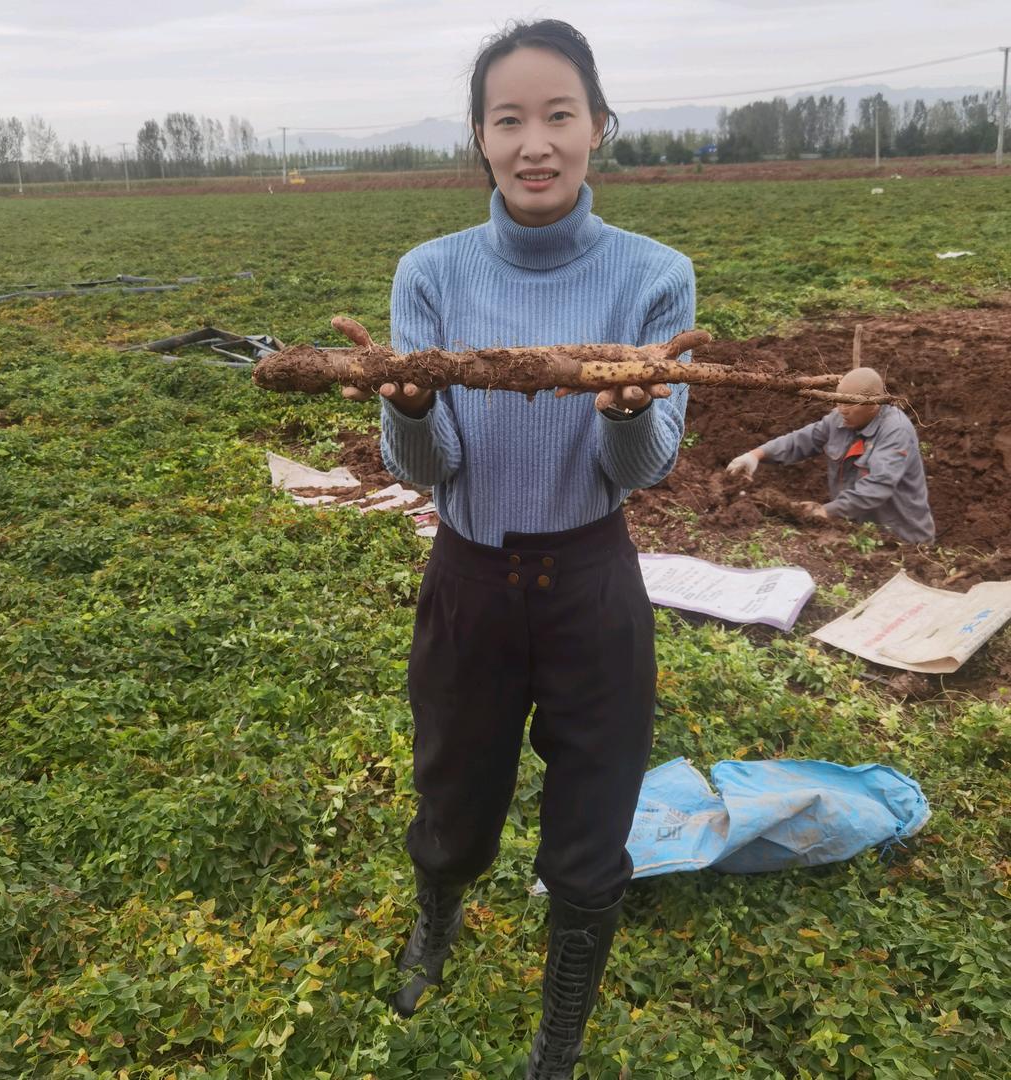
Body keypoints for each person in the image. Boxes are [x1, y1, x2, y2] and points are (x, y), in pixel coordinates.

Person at [341, 20, 695, 1078]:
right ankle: (437, 919)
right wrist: (409, 405)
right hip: (471, 580)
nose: (535, 143)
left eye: (558, 115)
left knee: (593, 816)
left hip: (592, 583)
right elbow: (427, 466)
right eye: (509, 120)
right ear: (481, 139)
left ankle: (561, 1030)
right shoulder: (431, 274)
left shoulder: (655, 275)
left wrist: (629, 410)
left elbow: (646, 467)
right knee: (453, 790)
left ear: (599, 127)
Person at [726, 366, 935, 543]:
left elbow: (877, 486)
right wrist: (755, 455)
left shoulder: (896, 430)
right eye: (838, 401)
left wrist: (826, 511)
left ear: (873, 405)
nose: (841, 409)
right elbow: (802, 440)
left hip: (901, 540)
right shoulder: (839, 418)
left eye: (849, 404)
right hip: (857, 535)